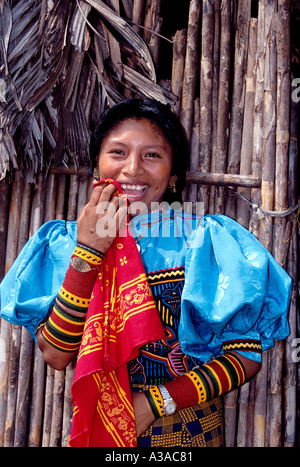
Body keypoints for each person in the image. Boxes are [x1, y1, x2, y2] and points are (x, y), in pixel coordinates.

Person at [0, 98, 292, 447]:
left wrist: (154, 403)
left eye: (152, 155)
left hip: (187, 432)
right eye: (118, 152)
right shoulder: (62, 243)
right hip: (96, 427)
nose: (133, 169)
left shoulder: (205, 241)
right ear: (96, 166)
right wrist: (90, 250)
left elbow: (245, 355)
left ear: (172, 173)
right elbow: (56, 354)